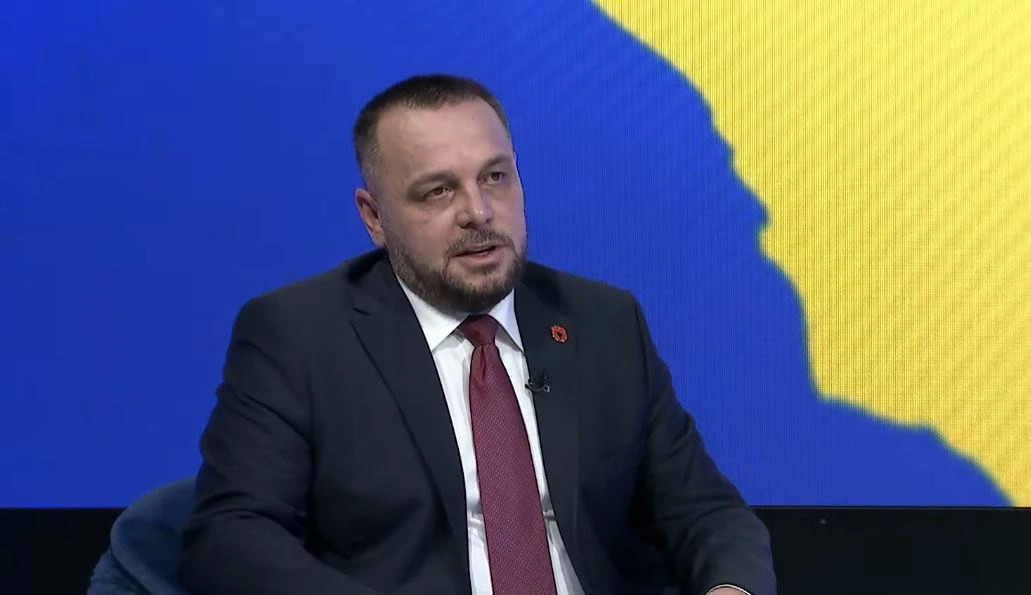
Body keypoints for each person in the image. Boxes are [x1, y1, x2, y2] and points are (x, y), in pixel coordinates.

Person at [179, 74, 775, 595]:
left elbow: (704, 510)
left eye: (495, 177)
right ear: (374, 218)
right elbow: (231, 537)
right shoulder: (299, 335)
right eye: (438, 191)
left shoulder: (603, 322)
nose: (479, 211)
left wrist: (729, 587)